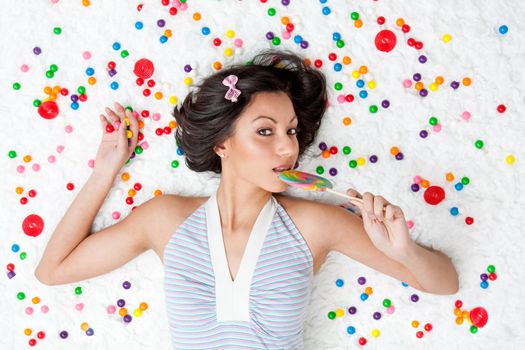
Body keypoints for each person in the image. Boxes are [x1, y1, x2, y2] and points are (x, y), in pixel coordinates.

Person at [35, 49, 458, 348]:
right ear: (222, 143)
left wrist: (403, 250)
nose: (287, 148)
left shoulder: (315, 224)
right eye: (265, 130)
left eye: (291, 131)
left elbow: (444, 282)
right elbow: (52, 270)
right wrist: (105, 171)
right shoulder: (164, 219)